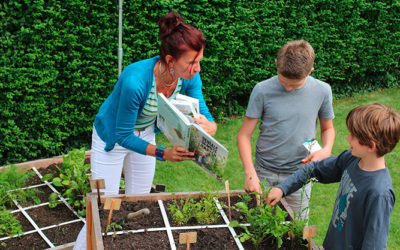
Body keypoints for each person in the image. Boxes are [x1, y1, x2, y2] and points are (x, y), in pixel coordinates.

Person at [73, 11, 216, 249]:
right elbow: (123, 135)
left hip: (145, 135)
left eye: (199, 60)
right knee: (102, 210)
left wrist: (208, 126)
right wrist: (163, 153)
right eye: (192, 62)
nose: (197, 68)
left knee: (138, 206)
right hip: (112, 138)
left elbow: (207, 117)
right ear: (171, 61)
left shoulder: (189, 78)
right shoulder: (135, 81)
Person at [267, 104, 400, 249]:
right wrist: (282, 188)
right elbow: (315, 169)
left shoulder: (379, 194)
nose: (348, 138)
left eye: (353, 136)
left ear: (371, 146)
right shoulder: (351, 159)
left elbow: (374, 246)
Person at [237, 40, 335, 220]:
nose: (288, 88)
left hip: (300, 175)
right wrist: (250, 173)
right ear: (276, 64)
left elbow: (327, 128)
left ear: (310, 71)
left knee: (294, 232)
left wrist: (326, 149)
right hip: (263, 173)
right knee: (257, 227)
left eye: (295, 85)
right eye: (284, 82)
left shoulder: (322, 91)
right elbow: (244, 135)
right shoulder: (262, 90)